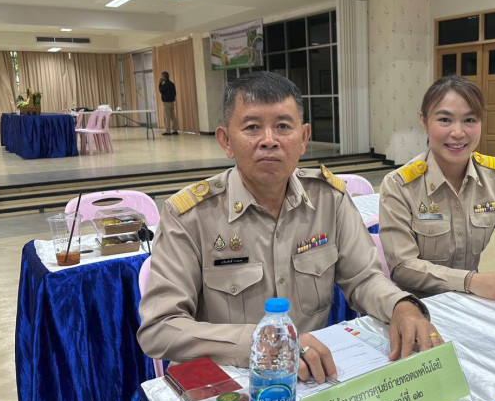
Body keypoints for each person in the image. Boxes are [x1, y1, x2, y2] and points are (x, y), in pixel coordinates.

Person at [138, 72, 442, 383]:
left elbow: (363, 278)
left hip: (312, 377)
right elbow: (160, 327)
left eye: (283, 126)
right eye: (252, 127)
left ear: (304, 138)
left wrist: (401, 305)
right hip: (226, 381)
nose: (269, 140)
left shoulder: (329, 199)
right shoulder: (190, 215)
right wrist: (261, 343)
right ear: (226, 140)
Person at [379, 75, 495, 300]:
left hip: (473, 300)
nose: (458, 132)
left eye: (469, 120)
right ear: (424, 121)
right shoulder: (399, 185)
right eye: (445, 120)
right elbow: (403, 266)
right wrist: (470, 281)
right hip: (419, 305)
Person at [158, 71, 178, 135]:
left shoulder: (165, 84)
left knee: (167, 117)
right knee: (173, 117)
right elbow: (174, 93)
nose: (161, 78)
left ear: (164, 77)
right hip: (172, 102)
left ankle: (168, 131)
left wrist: (160, 83)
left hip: (166, 103)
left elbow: (161, 90)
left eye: (162, 76)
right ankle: (175, 130)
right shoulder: (172, 84)